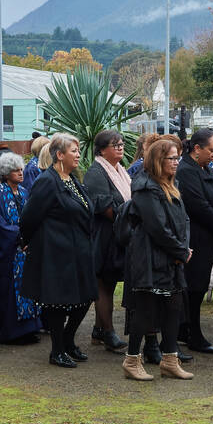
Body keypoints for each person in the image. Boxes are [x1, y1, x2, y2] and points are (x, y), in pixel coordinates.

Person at [20, 133, 96, 368]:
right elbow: (29, 217)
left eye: (78, 150)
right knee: (57, 302)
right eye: (74, 150)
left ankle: (68, 340)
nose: (78, 155)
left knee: (85, 297)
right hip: (56, 251)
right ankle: (57, 349)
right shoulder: (47, 181)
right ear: (59, 155)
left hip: (79, 250)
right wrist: (29, 241)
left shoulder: (71, 179)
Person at [121, 138, 194, 380]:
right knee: (145, 311)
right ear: (158, 160)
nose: (176, 163)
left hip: (170, 256)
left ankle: (169, 360)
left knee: (174, 307)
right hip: (150, 257)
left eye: (177, 158)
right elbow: (157, 227)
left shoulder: (172, 184)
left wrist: (182, 248)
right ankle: (132, 361)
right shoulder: (145, 187)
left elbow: (183, 220)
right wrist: (180, 252)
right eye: (171, 158)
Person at [175, 128, 213, 353]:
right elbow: (198, 204)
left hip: (211, 235)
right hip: (197, 238)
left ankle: (188, 329)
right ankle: (192, 333)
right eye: (210, 149)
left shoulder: (206, 169)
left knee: (198, 287)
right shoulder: (186, 171)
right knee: (194, 287)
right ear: (196, 148)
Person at [0, 152, 43, 344]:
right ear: (5, 173)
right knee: (8, 293)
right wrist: (19, 237)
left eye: (21, 169)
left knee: (27, 289)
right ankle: (11, 333)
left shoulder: (23, 192)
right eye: (15, 170)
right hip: (9, 253)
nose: (21, 173)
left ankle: (29, 328)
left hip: (25, 251)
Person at [84, 130, 131, 352]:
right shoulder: (96, 171)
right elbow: (104, 206)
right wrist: (127, 220)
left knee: (110, 283)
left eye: (121, 144)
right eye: (115, 145)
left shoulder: (120, 170)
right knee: (103, 283)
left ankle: (98, 329)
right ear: (102, 149)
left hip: (119, 233)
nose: (120, 148)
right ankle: (108, 332)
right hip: (105, 234)